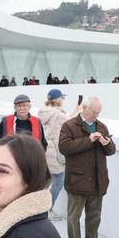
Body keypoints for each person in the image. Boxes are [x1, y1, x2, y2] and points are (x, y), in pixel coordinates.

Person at [58, 96, 115, 238]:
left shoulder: (102, 127)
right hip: (77, 180)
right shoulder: (69, 125)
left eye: (98, 112)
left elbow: (111, 151)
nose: (95, 115)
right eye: (93, 111)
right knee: (74, 216)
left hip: (98, 181)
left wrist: (106, 143)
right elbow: (65, 148)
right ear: (84, 107)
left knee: (94, 216)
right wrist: (88, 140)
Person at [38, 89, 69, 220]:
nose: (63, 100)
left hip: (45, 149)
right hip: (55, 152)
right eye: (62, 98)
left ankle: (39, 208)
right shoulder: (58, 114)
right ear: (57, 100)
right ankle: (47, 210)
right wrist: (79, 111)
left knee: (46, 181)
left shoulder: (45, 113)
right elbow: (71, 123)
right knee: (58, 181)